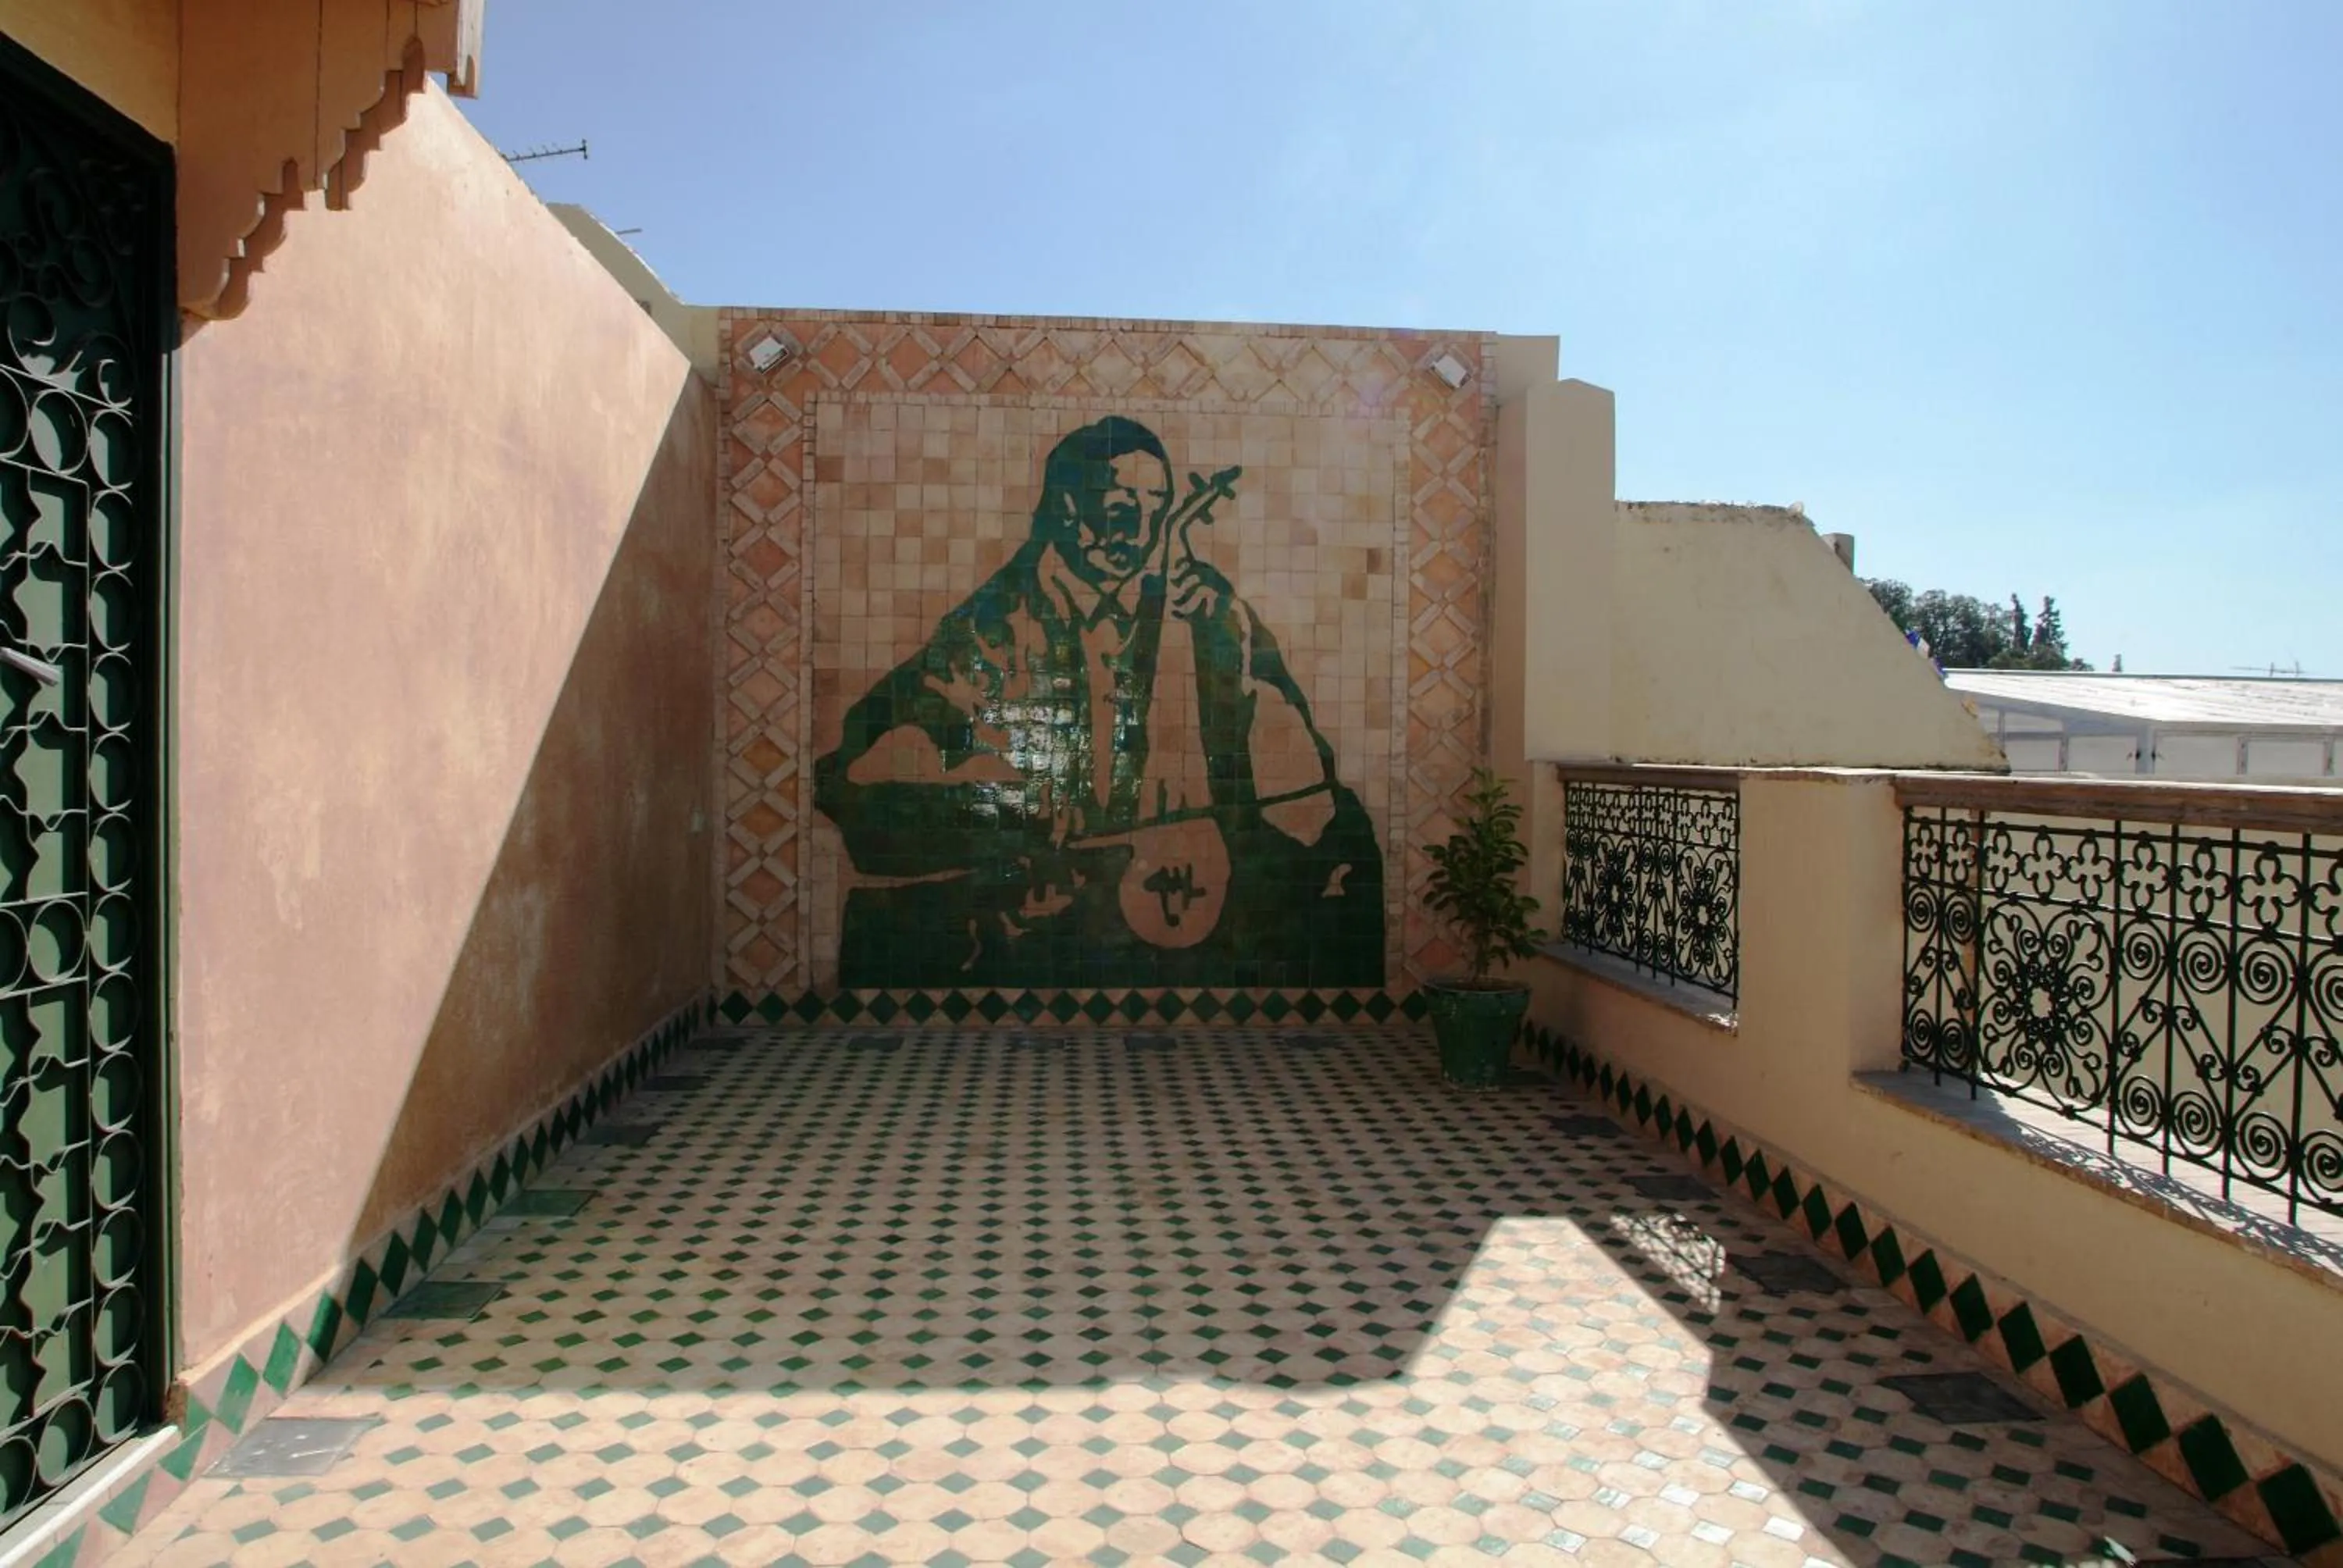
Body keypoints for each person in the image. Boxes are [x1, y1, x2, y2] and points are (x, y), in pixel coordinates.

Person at [813, 416, 1383, 988]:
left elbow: (1304, 776)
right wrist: (1011, 822)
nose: (1139, 528)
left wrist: (1228, 643)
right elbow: (860, 772)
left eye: (1155, 507)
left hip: (1181, 905)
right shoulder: (991, 627)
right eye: (1118, 505)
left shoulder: (1199, 603)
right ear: (1065, 506)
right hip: (1047, 921)